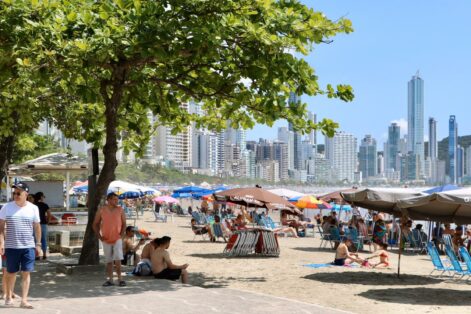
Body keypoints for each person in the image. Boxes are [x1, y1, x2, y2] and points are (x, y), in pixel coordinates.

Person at [0, 182, 41, 309]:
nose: (16, 195)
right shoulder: (6, 207)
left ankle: (24, 300)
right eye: (14, 193)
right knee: (10, 273)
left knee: (26, 272)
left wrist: (38, 244)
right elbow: (1, 227)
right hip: (11, 246)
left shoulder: (33, 208)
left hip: (28, 246)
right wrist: (1, 242)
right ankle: (8, 296)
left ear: (26, 194)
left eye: (19, 193)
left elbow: (37, 227)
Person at [93, 192, 127, 287]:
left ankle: (120, 279)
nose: (117, 201)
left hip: (117, 238)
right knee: (109, 260)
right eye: (114, 199)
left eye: (117, 199)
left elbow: (124, 223)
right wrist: (100, 237)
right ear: (108, 200)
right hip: (106, 239)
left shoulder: (120, 209)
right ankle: (110, 280)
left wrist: (121, 235)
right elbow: (95, 224)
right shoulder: (102, 210)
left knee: (118, 259)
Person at [34, 192, 52, 260]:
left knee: (35, 239)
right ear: (41, 197)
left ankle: (37, 255)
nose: (44, 198)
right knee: (43, 239)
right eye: (43, 196)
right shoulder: (45, 205)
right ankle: (44, 254)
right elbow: (49, 214)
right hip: (43, 224)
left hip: (35, 224)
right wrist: (48, 221)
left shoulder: (33, 205)